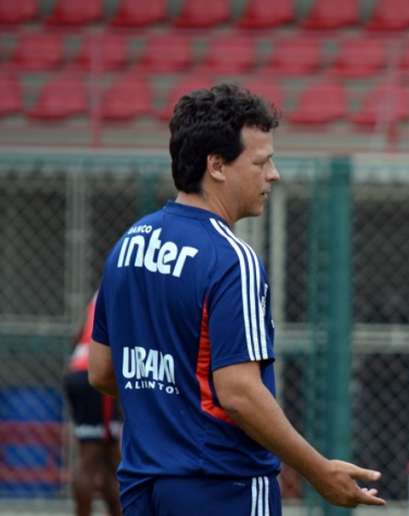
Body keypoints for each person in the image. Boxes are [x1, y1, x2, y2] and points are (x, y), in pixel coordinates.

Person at [87, 83, 385, 515]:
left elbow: (101, 371)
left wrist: (171, 404)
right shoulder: (231, 258)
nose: (273, 175)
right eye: (262, 162)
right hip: (223, 486)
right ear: (217, 166)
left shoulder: (129, 244)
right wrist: (319, 470)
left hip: (142, 486)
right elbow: (239, 393)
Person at [63, 295, 121, 516]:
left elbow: (79, 334)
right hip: (97, 374)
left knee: (106, 454)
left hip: (78, 371)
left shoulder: (102, 290)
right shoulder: (131, 280)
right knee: (93, 456)